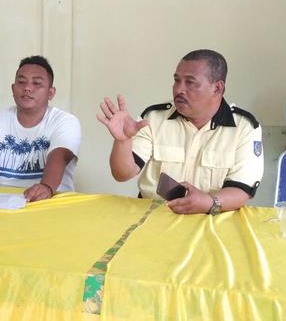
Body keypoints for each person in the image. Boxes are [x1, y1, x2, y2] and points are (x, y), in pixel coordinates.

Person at [97, 49, 263, 215]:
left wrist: (208, 202)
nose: (179, 89)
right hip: (154, 216)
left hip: (212, 219)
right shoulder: (153, 118)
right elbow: (122, 174)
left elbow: (241, 191)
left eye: (190, 82)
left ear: (217, 88)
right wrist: (123, 141)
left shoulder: (244, 127)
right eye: (177, 81)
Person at [0, 55, 82, 202]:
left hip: (49, 203)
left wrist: (46, 187)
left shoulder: (65, 121)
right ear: (13, 88)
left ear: (51, 93)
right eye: (21, 82)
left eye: (37, 83)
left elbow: (59, 157)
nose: (27, 88)